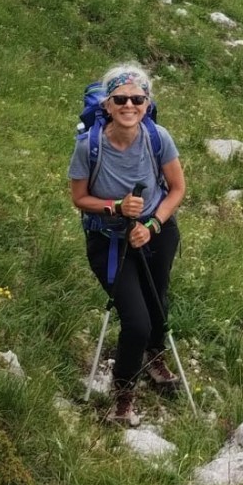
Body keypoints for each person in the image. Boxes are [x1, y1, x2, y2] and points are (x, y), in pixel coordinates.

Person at [69, 63, 186, 424]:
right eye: (120, 99)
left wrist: (151, 223)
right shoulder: (89, 146)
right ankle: (123, 399)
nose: (129, 105)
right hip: (109, 241)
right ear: (107, 105)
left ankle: (153, 358)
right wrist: (115, 208)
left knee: (157, 300)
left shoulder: (158, 138)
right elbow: (79, 198)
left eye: (137, 99)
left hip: (157, 232)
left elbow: (177, 189)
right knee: (136, 321)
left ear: (147, 103)